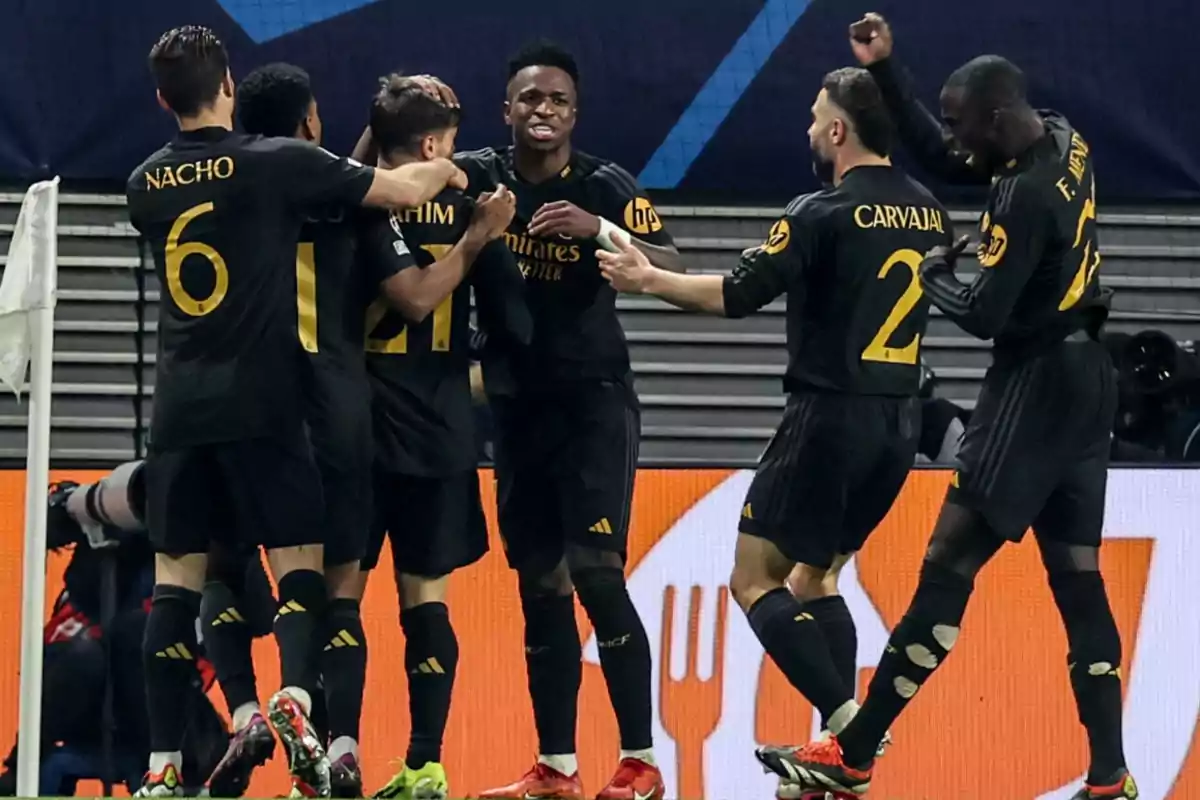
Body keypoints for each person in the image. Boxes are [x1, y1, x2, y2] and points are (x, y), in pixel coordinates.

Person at [751, 14, 1134, 800]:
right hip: (1092, 379)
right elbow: (942, 154)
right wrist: (889, 71)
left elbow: (985, 315)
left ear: (998, 119)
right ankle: (1109, 775)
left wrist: (934, 277)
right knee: (1078, 577)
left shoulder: (1024, 195)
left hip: (1033, 384)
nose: (955, 144)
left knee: (947, 562)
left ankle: (853, 751)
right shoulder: (1064, 137)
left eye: (964, 127)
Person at [125, 26, 465, 797]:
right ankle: (299, 695)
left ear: (160, 99)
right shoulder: (271, 166)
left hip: (177, 409)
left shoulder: (144, 182)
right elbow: (401, 190)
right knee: (300, 566)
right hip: (263, 403)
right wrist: (446, 157)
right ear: (228, 86)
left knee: (178, 580)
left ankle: (159, 769)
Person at [598, 66, 949, 798]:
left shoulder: (821, 209)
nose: (808, 128)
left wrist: (647, 279)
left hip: (828, 419)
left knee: (753, 579)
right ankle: (836, 747)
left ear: (837, 130)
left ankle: (854, 732)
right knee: (818, 575)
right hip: (899, 423)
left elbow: (737, 294)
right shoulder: (930, 211)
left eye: (815, 115)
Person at [452, 41, 680, 800]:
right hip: (517, 410)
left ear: (573, 114)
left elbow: (671, 264)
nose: (541, 110)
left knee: (595, 571)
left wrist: (602, 232)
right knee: (538, 583)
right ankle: (555, 767)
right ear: (506, 110)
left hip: (594, 405)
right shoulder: (482, 174)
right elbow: (399, 181)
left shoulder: (605, 185)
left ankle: (641, 760)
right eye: (528, 98)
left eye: (554, 100)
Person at [355, 75, 528, 800]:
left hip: (357, 432)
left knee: (340, 598)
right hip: (437, 437)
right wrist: (483, 234)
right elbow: (512, 329)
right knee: (424, 599)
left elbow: (357, 164)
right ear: (432, 145)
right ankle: (425, 761)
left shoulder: (349, 205)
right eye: (450, 139)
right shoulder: (473, 218)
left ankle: (338, 760)